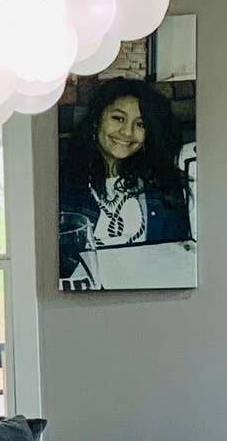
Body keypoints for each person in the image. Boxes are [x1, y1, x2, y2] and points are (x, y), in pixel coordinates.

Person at [57, 77, 195, 288]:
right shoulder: (62, 185)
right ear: (97, 119)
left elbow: (177, 257)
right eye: (118, 118)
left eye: (140, 124)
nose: (127, 132)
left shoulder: (164, 185)